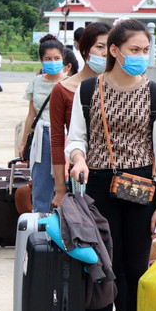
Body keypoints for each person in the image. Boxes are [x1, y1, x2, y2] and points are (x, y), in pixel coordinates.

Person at [66, 19, 156, 311]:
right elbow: (76, 138)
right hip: (97, 184)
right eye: (134, 50)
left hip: (140, 187)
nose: (141, 57)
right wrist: (78, 158)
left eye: (145, 50)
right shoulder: (88, 91)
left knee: (134, 267)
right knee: (102, 266)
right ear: (114, 50)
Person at [50, 23, 110, 209]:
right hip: (81, 175)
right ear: (84, 50)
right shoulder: (64, 89)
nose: (105, 53)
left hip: (118, 173)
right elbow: (58, 141)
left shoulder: (122, 88)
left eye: (110, 47)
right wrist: (60, 189)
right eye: (99, 47)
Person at [18, 35, 67, 214]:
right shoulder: (36, 83)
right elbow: (31, 115)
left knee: (65, 183)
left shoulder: (71, 83)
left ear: (63, 59)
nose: (52, 62)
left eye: (56, 58)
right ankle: (40, 225)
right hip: (41, 137)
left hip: (64, 136)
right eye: (48, 59)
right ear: (41, 60)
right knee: (41, 183)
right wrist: (23, 142)